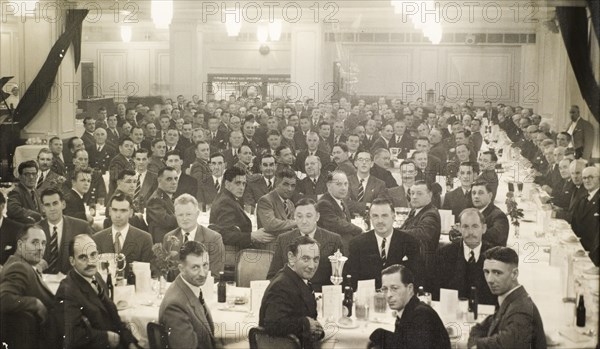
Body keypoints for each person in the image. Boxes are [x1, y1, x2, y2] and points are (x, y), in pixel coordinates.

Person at [56, 234, 141, 349]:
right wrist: (106, 337)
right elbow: (72, 336)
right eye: (82, 257)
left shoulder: (97, 277)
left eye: (93, 255)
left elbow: (114, 318)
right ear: (72, 261)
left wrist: (130, 342)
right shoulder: (67, 291)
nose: (90, 262)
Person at [468, 247, 547, 349]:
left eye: (497, 273)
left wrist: (476, 345)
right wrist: (475, 344)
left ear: (514, 274)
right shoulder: (511, 299)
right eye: (486, 272)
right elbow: (478, 329)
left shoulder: (521, 311)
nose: (489, 279)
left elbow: (502, 345)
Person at [0, 224, 60, 349]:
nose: (40, 248)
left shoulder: (20, 263)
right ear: (21, 245)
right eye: (35, 242)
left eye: (43, 243)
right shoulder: (19, 267)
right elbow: (3, 299)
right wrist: (35, 303)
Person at [259, 235, 324, 349]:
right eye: (305, 259)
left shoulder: (297, 279)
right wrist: (306, 324)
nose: (312, 266)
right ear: (291, 258)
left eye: (316, 259)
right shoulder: (282, 286)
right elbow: (272, 324)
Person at [267, 198, 343, 291]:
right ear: (294, 217)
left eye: (309, 216)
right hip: (291, 294)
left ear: (317, 217)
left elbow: (339, 277)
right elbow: (273, 275)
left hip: (321, 294)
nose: (304, 221)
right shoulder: (283, 239)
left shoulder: (334, 239)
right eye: (299, 216)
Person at [368, 264, 451, 349]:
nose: (388, 295)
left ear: (410, 288)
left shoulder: (421, 315)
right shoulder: (409, 311)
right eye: (385, 289)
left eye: (394, 288)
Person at [347, 198, 423, 289]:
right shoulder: (357, 243)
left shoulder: (409, 242)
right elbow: (352, 280)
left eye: (384, 216)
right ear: (370, 218)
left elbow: (417, 278)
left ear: (393, 217)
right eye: (375, 216)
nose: (380, 221)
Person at [159, 241, 216, 349]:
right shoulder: (175, 305)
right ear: (181, 269)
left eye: (205, 265)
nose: (203, 273)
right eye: (195, 267)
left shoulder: (190, 287)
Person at [434, 208, 495, 305]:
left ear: (484, 228)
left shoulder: (494, 256)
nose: (470, 232)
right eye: (465, 227)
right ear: (459, 228)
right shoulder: (444, 254)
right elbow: (436, 293)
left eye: (475, 226)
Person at [209, 166, 272, 249]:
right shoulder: (226, 202)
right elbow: (224, 235)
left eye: (244, 183)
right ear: (227, 183)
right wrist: (252, 236)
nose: (242, 187)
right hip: (233, 254)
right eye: (237, 183)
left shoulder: (227, 197)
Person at [163, 194, 225, 276]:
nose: (184, 218)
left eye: (188, 214)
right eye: (180, 215)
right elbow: (164, 272)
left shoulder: (213, 238)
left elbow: (215, 274)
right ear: (175, 215)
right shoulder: (169, 238)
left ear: (197, 214)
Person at [39, 188, 93, 274]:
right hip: (42, 282)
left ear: (63, 204)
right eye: (47, 205)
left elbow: (92, 257)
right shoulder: (35, 229)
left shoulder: (81, 227)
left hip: (72, 282)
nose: (52, 208)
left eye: (55, 203)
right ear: (42, 208)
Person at [93, 192, 153, 266]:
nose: (118, 215)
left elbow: (147, 272)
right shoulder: (97, 239)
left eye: (123, 210)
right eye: (115, 210)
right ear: (110, 211)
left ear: (131, 213)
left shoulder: (144, 239)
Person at [400, 180, 441, 278]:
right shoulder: (415, 210)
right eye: (412, 193)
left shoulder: (431, 213)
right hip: (412, 260)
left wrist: (395, 233)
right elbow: (405, 228)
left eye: (419, 193)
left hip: (422, 266)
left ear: (430, 195)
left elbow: (423, 233)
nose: (414, 197)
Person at [316, 170, 363, 251]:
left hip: (343, 245)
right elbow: (338, 224)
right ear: (329, 185)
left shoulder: (340, 200)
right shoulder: (324, 203)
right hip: (331, 249)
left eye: (346, 184)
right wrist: (360, 230)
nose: (344, 188)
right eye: (339, 184)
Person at [570, 166, 599, 264]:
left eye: (591, 177)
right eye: (585, 178)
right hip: (581, 250)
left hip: (593, 255)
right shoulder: (583, 199)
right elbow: (575, 224)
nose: (587, 180)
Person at [256, 168, 298, 236]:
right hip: (270, 243)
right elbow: (270, 224)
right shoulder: (265, 200)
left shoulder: (290, 204)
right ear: (276, 184)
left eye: (293, 185)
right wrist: (297, 223)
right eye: (286, 184)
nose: (290, 189)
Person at [146, 166, 180, 243]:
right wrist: (186, 215)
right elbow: (167, 221)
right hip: (163, 243)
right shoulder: (155, 200)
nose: (174, 182)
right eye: (169, 179)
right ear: (159, 180)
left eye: (176, 178)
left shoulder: (167, 197)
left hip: (171, 239)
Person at [471, 181, 509, 247]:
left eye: (480, 193)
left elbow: (496, 237)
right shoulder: (472, 213)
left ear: (490, 196)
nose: (476, 196)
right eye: (473, 193)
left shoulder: (498, 215)